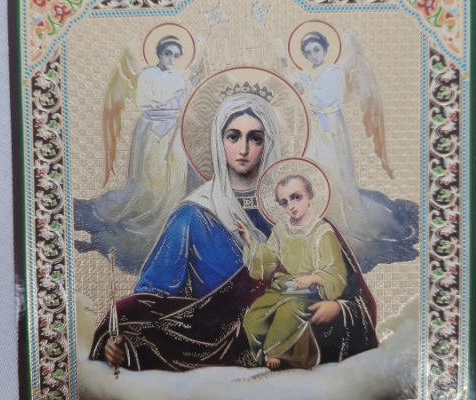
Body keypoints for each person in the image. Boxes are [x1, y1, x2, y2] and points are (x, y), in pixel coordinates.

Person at [90, 91, 377, 372]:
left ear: (268, 142)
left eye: (255, 138)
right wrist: (119, 334)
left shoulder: (300, 217)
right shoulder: (193, 215)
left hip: (289, 326)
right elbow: (153, 297)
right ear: (219, 141)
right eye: (233, 136)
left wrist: (339, 309)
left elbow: (355, 296)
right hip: (211, 335)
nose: (244, 149)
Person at [291, 31, 419, 272]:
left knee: (332, 172)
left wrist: (302, 92)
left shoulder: (334, 73)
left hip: (329, 132)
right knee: (312, 173)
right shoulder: (311, 74)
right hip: (313, 132)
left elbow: (320, 100)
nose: (313, 55)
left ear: (325, 49)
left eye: (316, 50)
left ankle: (338, 219)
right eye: (308, 53)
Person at [74, 35, 200, 274]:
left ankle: (168, 219)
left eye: (176, 55)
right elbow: (152, 100)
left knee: (176, 180)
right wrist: (182, 85)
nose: (172, 59)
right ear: (159, 53)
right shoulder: (147, 76)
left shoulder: (178, 77)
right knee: (153, 182)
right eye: (168, 53)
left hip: (173, 134)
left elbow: (184, 101)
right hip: (152, 131)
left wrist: (191, 84)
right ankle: (144, 218)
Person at [236, 174, 348, 370]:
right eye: (284, 202)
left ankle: (276, 353)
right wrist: (249, 241)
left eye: (296, 197)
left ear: (310, 196)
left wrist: (313, 278)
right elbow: (269, 258)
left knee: (288, 311)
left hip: (308, 292)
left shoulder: (322, 231)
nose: (291, 206)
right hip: (281, 289)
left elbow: (335, 270)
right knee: (254, 316)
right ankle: (262, 357)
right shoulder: (280, 231)